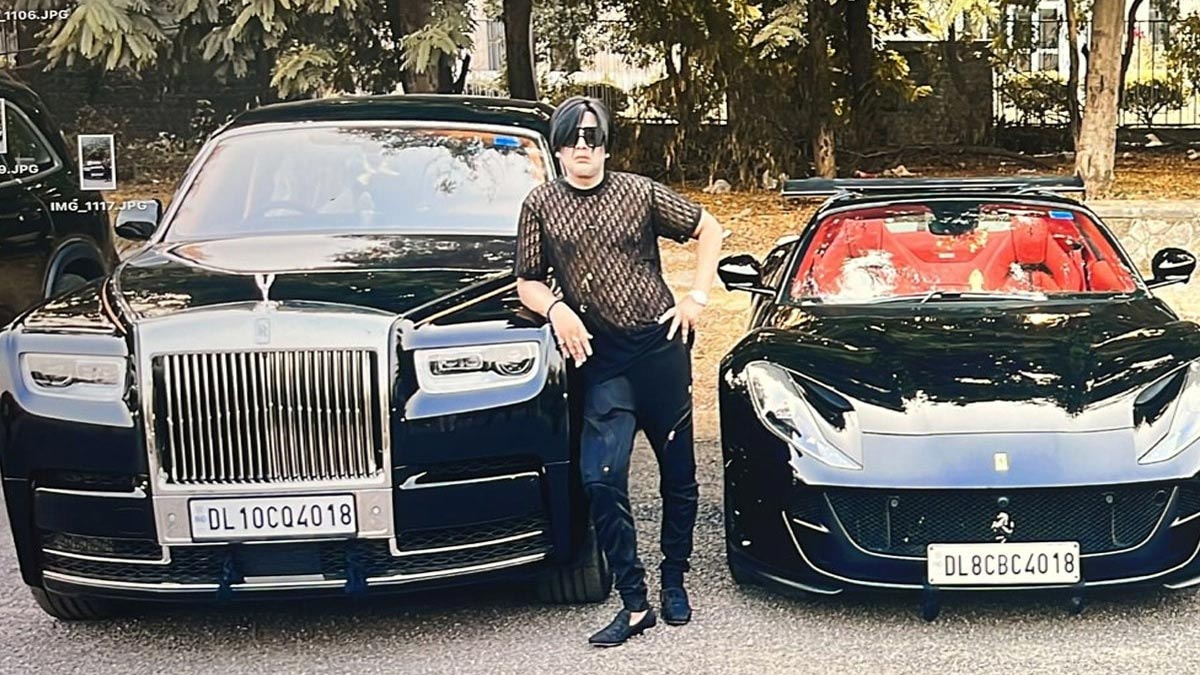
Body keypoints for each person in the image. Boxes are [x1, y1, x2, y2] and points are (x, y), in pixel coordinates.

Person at [514, 96, 724, 647]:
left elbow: (711, 229)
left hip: (660, 348)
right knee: (600, 478)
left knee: (678, 474)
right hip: (602, 360)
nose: (583, 146)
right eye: (573, 137)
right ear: (558, 147)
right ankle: (634, 603)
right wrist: (556, 309)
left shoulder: (639, 191)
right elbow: (527, 280)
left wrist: (697, 297)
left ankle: (674, 579)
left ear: (607, 145)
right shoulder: (541, 203)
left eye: (593, 136)